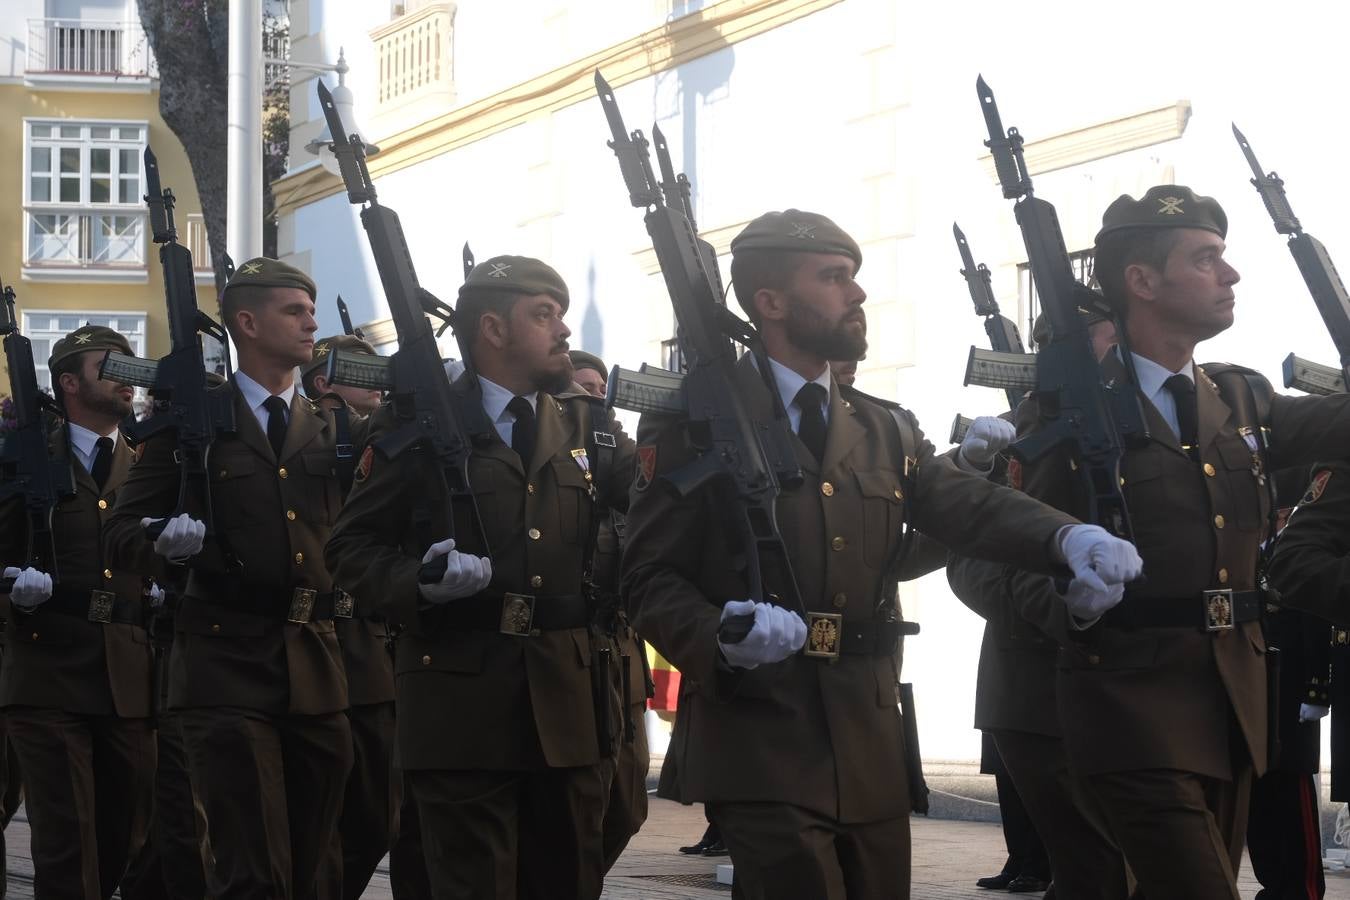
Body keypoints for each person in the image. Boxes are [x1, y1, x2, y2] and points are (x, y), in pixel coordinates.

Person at [620, 209, 1141, 900]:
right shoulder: (693, 420)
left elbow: (962, 505)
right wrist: (717, 633)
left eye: (854, 277)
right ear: (770, 302)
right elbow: (647, 574)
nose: (857, 294)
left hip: (866, 732)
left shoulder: (880, 425)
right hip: (758, 726)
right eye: (834, 278)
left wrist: (1064, 538)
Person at [1013, 185, 1350, 900]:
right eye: (1206, 259)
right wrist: (1071, 598)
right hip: (1128, 702)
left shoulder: (1240, 397)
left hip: (1232, 700)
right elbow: (1005, 558)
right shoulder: (1070, 413)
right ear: (1142, 281)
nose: (1229, 276)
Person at [326, 256, 636, 900]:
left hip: (570, 702)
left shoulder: (591, 424)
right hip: (459, 703)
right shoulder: (412, 425)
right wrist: (419, 581)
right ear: (493, 329)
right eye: (544, 315)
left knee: (568, 881)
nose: (562, 329)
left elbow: (657, 524)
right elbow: (351, 549)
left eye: (561, 313)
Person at [105, 257, 358, 899]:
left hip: (317, 661)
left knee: (319, 865)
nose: (310, 324)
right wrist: (164, 543)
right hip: (223, 658)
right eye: (293, 311)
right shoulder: (193, 423)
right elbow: (122, 532)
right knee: (252, 867)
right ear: (246, 322)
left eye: (311, 309)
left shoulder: (334, 427)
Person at [947, 312, 1132, 900]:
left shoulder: (1152, 423)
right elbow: (968, 559)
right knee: (1093, 867)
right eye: (1107, 340)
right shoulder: (1006, 439)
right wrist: (1063, 601)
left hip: (1147, 684)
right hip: (1035, 680)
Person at [0, 324, 156, 900]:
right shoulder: (22, 457)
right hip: (48, 673)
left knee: (127, 835)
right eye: (110, 365)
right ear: (68, 382)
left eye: (130, 366)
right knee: (68, 849)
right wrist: (11, 585)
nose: (126, 378)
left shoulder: (146, 462)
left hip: (129, 678)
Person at [300, 334, 403, 900]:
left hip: (368, 648)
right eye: (360, 373)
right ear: (324, 384)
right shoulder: (310, 433)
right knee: (320, 817)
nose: (377, 382)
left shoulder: (382, 436)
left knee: (375, 816)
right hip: (317, 640)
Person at [569, 348, 654, 871]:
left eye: (600, 389)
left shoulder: (622, 464)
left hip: (622, 656)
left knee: (627, 805)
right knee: (578, 806)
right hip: (574, 655)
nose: (595, 396)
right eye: (582, 389)